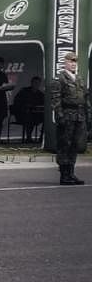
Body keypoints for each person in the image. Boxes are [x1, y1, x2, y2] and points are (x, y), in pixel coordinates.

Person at [51, 52, 88, 185]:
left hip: (79, 115)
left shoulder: (79, 79)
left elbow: (85, 98)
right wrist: (60, 116)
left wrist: (87, 115)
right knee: (64, 145)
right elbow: (55, 100)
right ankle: (64, 174)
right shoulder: (60, 79)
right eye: (70, 61)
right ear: (65, 63)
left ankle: (71, 173)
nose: (73, 64)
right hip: (66, 115)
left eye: (75, 62)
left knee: (75, 145)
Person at [12, 76, 45, 143]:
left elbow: (43, 105)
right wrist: (25, 106)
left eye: (38, 83)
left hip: (36, 115)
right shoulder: (24, 91)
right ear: (31, 83)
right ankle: (28, 138)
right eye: (35, 83)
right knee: (29, 118)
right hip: (22, 114)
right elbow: (17, 102)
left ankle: (42, 138)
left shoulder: (40, 94)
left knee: (46, 119)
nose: (36, 84)